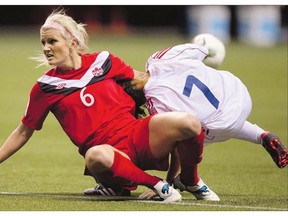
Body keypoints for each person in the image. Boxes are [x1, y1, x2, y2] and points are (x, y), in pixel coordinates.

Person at [0, 10, 219, 203]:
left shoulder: (103, 61)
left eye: (52, 41)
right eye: (43, 43)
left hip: (139, 136)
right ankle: (155, 185)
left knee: (189, 122)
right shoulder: (46, 87)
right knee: (95, 155)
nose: (46, 48)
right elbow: (22, 132)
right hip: (108, 156)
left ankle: (189, 180)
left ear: (72, 43)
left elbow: (146, 82)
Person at [85, 41, 287, 200]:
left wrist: (170, 181)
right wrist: (204, 48)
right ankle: (262, 135)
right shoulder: (158, 59)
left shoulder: (156, 104)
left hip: (221, 126)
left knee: (197, 128)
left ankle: (187, 181)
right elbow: (198, 50)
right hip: (238, 92)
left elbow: (177, 145)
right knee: (213, 110)